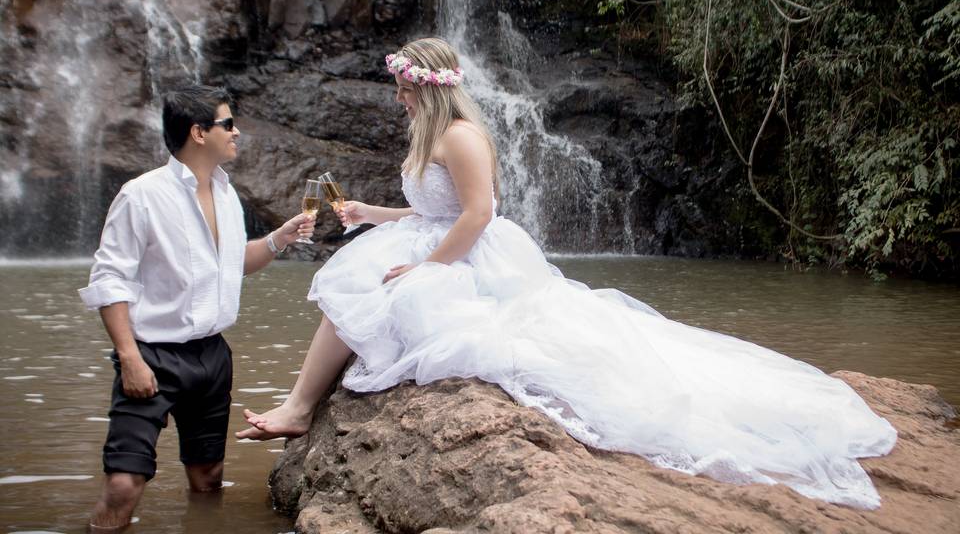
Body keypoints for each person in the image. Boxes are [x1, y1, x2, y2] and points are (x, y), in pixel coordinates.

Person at [236, 38, 897, 509]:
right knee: (357, 282)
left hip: (472, 253)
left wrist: (421, 269)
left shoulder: (461, 135)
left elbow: (476, 214)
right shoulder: (430, 136)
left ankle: (298, 405)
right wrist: (370, 214)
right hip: (436, 240)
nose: (399, 98)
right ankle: (300, 402)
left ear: (427, 86)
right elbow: (428, 210)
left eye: (404, 88)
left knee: (382, 295)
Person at [78, 85, 315, 531]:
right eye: (228, 124)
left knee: (208, 479)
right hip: (151, 356)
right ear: (198, 133)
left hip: (212, 356)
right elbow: (109, 280)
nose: (237, 132)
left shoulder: (227, 193)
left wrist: (278, 239)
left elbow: (233, 264)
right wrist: (129, 358)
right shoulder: (141, 195)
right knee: (123, 486)